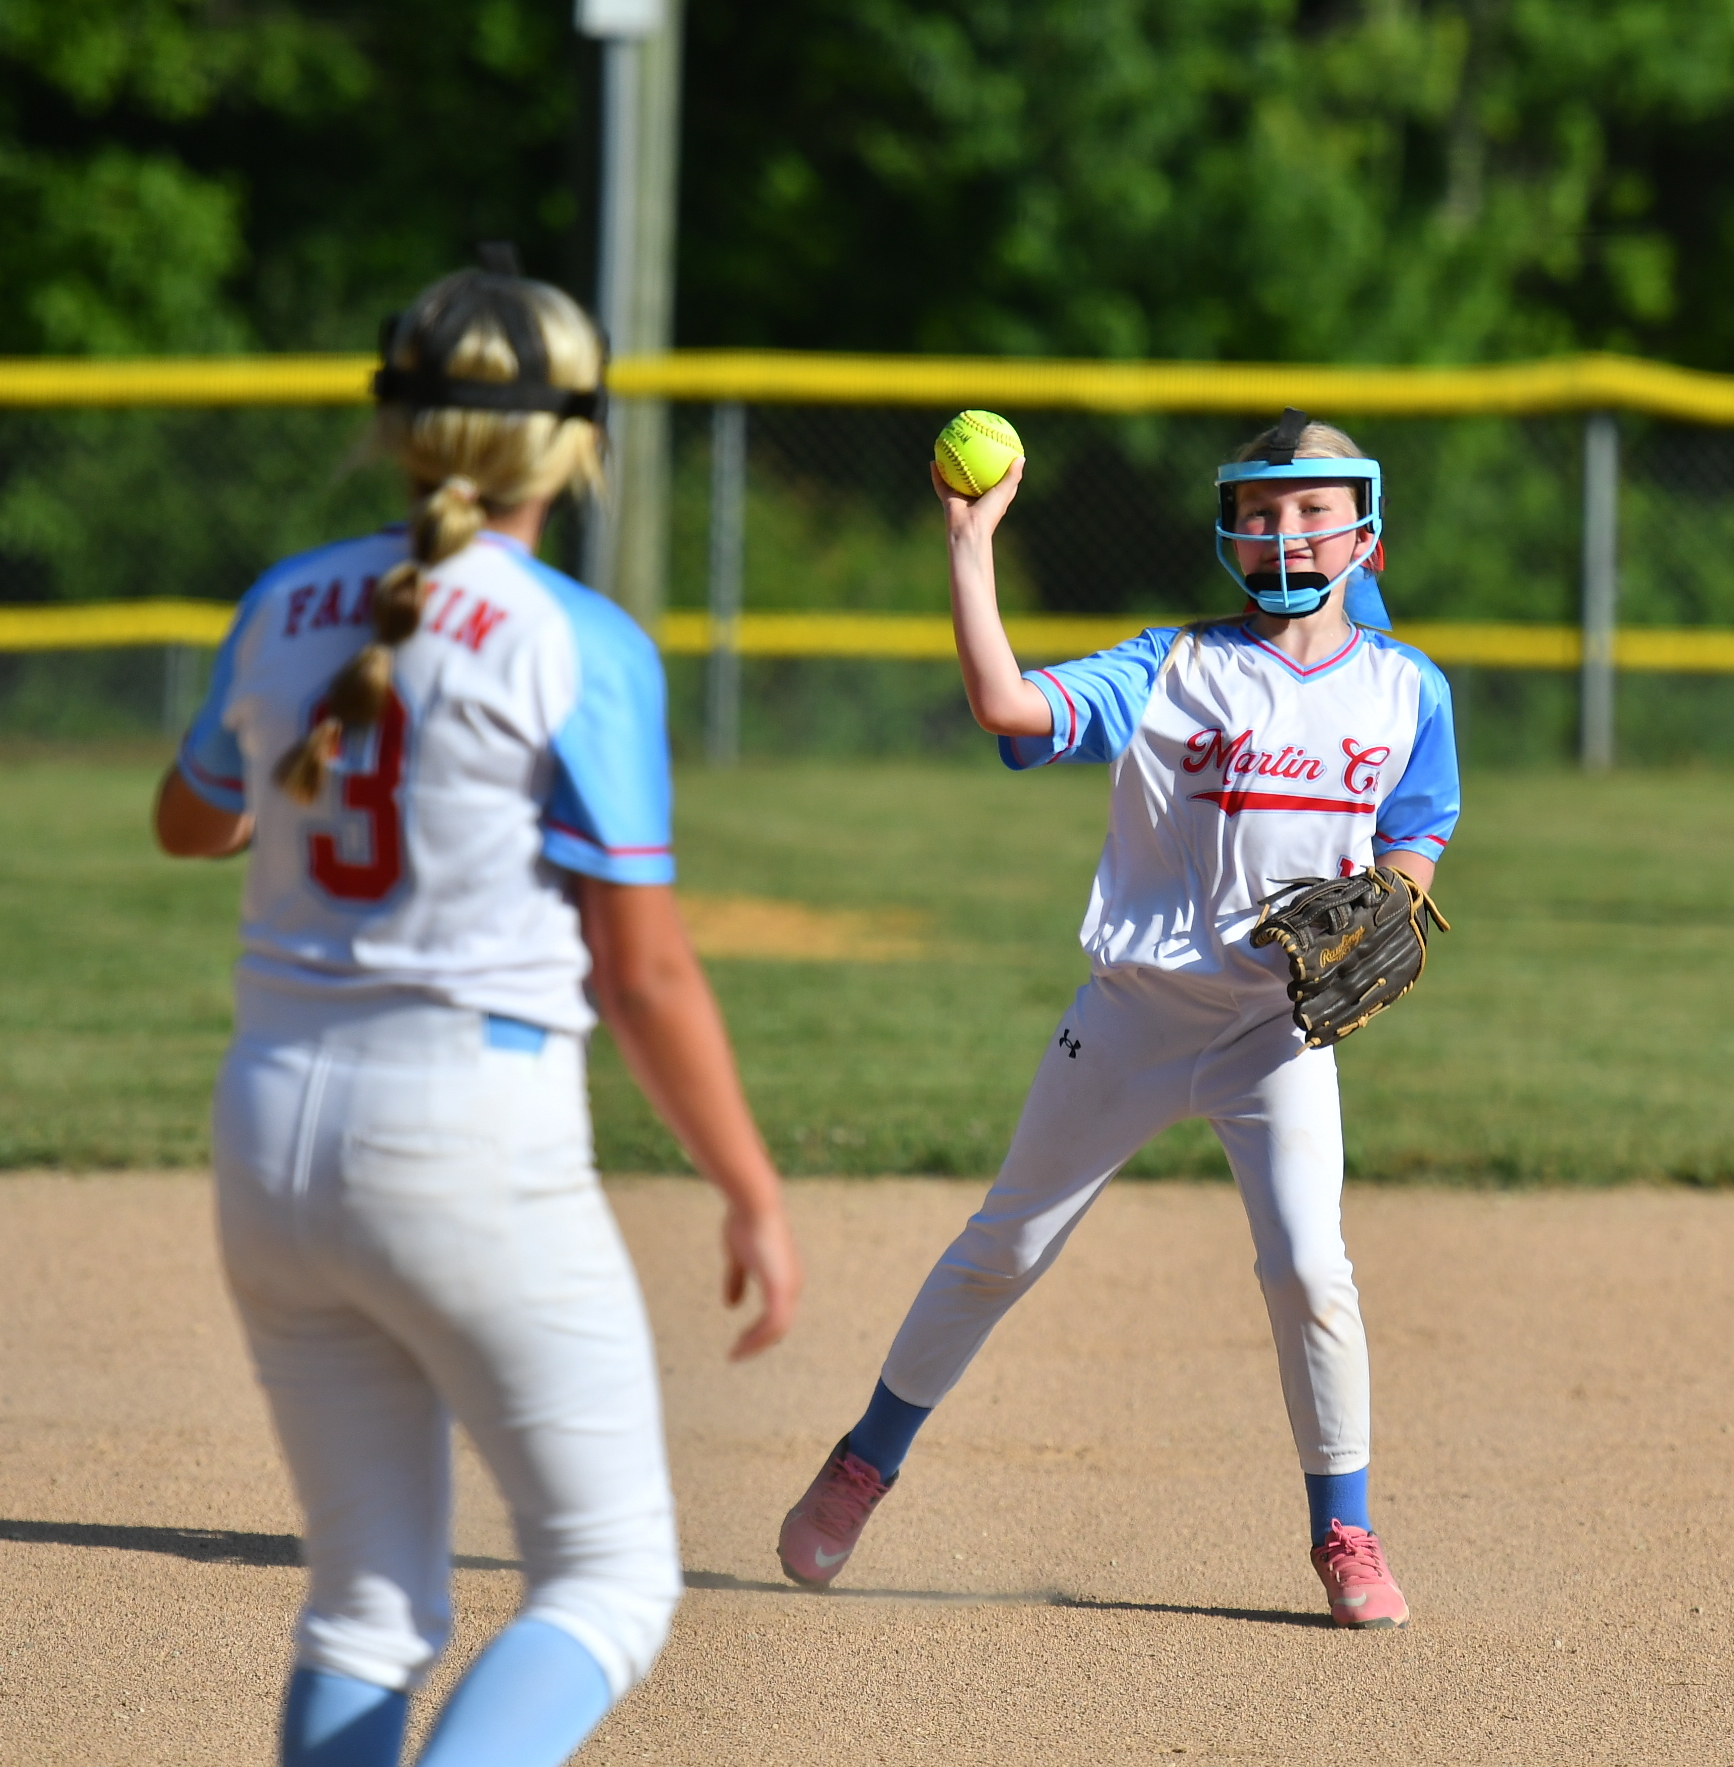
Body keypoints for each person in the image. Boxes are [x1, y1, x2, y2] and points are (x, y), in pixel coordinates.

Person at [155, 256, 801, 1766]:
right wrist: (750, 1188)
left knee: (366, 1603)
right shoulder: (575, 639)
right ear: (578, 440)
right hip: (463, 1136)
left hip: (267, 1136)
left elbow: (191, 827)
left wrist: (286, 767)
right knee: (613, 1575)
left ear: (394, 422)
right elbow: (640, 970)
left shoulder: (280, 605)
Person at [776, 409, 1457, 1629]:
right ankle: (864, 1462)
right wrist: (970, 544)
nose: (1282, 529)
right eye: (1259, 508)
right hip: (1133, 1015)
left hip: (1276, 1030)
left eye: (1309, 505)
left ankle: (1344, 1532)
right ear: (1229, 534)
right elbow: (1003, 705)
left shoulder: (1411, 688)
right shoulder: (1170, 666)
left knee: (1310, 1269)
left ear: (1369, 533)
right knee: (1005, 1249)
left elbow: (1415, 827)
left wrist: (1398, 897)